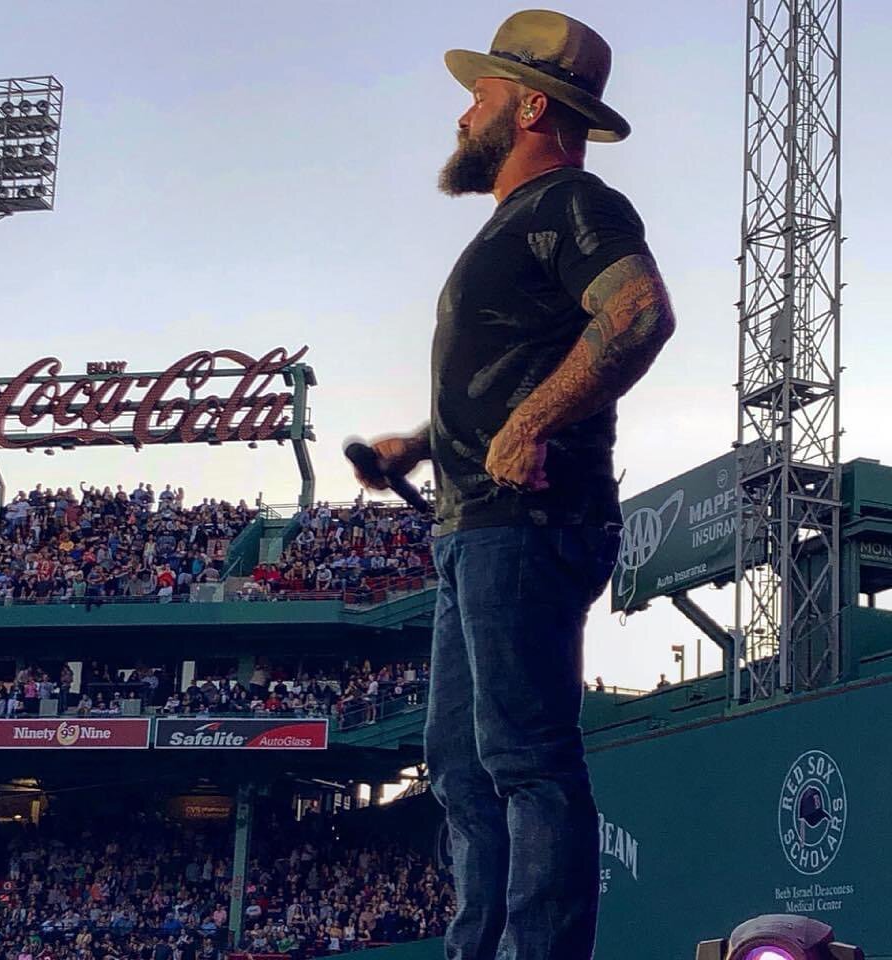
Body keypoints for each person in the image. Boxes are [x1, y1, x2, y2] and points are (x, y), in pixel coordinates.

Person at [351, 11, 675, 960]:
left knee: (527, 764)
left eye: (480, 96)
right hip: (473, 527)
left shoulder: (576, 203)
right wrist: (420, 445)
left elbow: (640, 313)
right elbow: (520, 369)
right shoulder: (513, 226)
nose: (463, 115)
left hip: (528, 523)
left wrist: (532, 424)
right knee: (459, 769)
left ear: (531, 106)